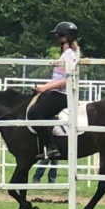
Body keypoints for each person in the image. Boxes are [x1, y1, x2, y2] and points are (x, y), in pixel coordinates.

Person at [27, 22, 81, 162]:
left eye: (58, 36)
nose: (56, 38)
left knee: (34, 113)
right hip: (57, 91)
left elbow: (67, 80)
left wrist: (46, 88)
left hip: (62, 94)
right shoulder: (65, 54)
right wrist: (43, 86)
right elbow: (58, 78)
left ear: (65, 38)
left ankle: (50, 147)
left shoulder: (69, 55)